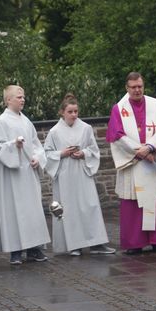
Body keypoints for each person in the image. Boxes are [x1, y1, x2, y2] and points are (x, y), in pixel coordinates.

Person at [106, 72, 156, 255]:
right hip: (134, 162)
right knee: (133, 205)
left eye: (140, 86)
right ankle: (134, 243)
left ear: (143, 86)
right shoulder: (118, 109)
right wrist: (141, 151)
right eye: (133, 87)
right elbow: (116, 135)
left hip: (153, 161)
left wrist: (151, 147)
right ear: (126, 88)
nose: (137, 90)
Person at [44, 94, 116, 256]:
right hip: (65, 175)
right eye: (70, 111)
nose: (74, 115)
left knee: (90, 207)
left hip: (82, 173)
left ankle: (96, 244)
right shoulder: (54, 132)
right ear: (62, 112)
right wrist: (62, 153)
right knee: (69, 209)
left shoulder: (85, 128)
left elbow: (94, 150)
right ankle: (73, 245)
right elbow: (46, 154)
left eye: (76, 111)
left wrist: (83, 153)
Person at [0, 85, 50, 265]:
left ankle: (34, 249)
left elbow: (36, 145)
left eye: (23, 97)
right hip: (12, 176)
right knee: (14, 211)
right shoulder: (1, 122)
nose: (22, 100)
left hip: (28, 173)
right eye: (18, 97)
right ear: (8, 100)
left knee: (32, 211)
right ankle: (15, 251)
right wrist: (13, 145)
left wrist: (37, 159)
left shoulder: (26, 121)